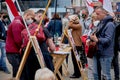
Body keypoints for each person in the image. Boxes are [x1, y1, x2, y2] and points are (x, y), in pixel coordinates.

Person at [21, 9, 55, 80]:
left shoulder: (27, 28)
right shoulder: (43, 29)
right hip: (42, 57)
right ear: (40, 17)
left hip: (28, 57)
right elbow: (52, 47)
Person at [5, 9, 35, 80]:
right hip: (13, 52)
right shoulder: (17, 24)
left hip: (13, 51)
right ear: (27, 15)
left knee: (18, 71)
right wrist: (25, 46)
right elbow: (18, 40)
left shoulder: (19, 22)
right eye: (32, 18)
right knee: (18, 72)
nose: (32, 20)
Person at [90, 7, 115, 80]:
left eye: (98, 14)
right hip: (97, 51)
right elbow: (94, 33)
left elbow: (108, 40)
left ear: (104, 13)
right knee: (95, 73)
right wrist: (90, 39)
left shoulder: (110, 24)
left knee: (105, 75)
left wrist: (97, 40)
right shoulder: (100, 23)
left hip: (105, 54)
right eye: (96, 13)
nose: (96, 15)